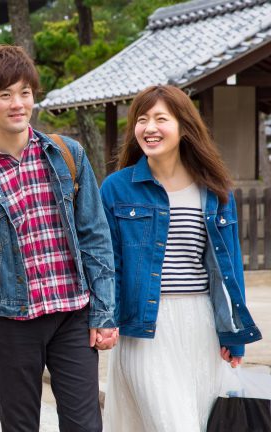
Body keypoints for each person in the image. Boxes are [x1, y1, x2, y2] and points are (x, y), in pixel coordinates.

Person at [0, 44, 118, 432]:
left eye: (25, 92)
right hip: (12, 320)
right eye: (5, 94)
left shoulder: (68, 156)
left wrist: (105, 312)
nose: (18, 103)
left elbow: (95, 237)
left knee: (85, 425)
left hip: (73, 313)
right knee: (19, 426)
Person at [100, 84, 263, 431]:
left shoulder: (215, 190)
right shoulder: (116, 188)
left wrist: (233, 334)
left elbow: (228, 266)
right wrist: (106, 318)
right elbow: (108, 263)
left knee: (198, 419)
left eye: (161, 118)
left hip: (200, 323)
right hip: (143, 327)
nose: (149, 128)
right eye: (141, 120)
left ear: (184, 127)